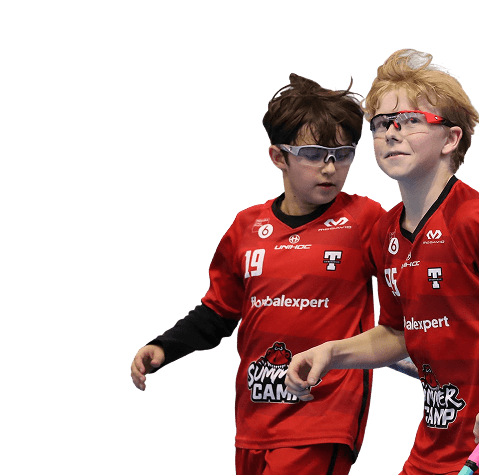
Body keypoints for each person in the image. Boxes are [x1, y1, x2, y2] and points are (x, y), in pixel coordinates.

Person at [285, 49, 479, 475]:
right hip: (433, 444)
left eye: (410, 120)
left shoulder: (475, 220)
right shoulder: (386, 232)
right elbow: (397, 334)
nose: (392, 133)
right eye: (382, 124)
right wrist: (331, 352)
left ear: (450, 139)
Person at [129, 73, 387, 475]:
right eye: (314, 153)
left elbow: (414, 281)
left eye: (343, 154)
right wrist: (165, 347)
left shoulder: (365, 219)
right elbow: (218, 312)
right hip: (254, 419)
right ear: (278, 157)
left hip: (322, 417)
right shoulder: (246, 227)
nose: (330, 167)